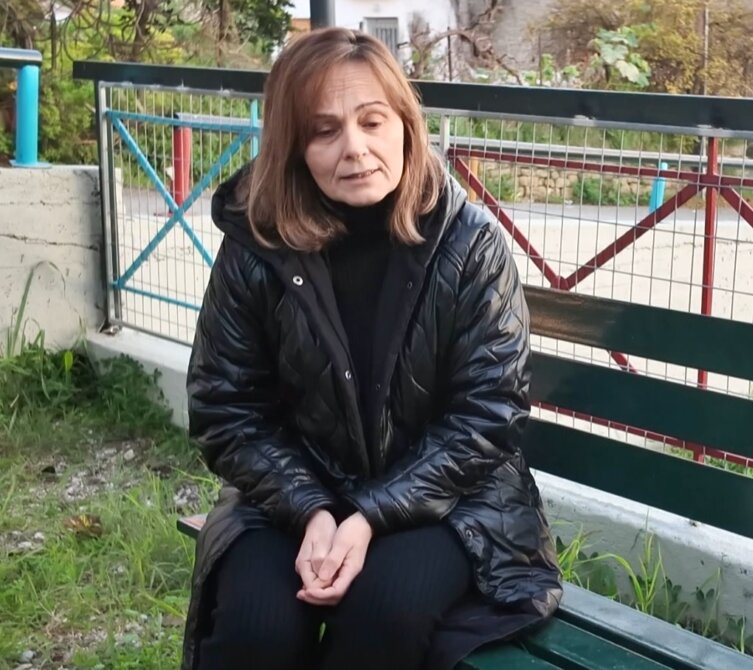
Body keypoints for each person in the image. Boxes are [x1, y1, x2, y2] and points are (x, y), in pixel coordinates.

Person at [179, 27, 561, 670]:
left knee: (382, 614)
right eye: (325, 131)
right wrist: (313, 511)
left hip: (448, 500)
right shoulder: (257, 245)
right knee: (255, 629)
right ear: (294, 147)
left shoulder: (469, 244)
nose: (355, 148)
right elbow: (227, 409)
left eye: (372, 121)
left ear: (405, 125)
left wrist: (366, 515)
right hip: (294, 489)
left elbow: (488, 415)